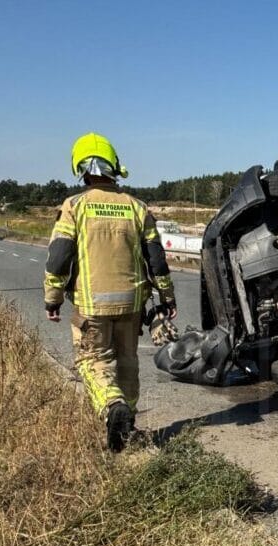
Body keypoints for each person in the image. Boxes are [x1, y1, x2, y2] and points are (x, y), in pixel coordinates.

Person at [43, 133, 177, 451]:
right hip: (132, 305)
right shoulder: (136, 207)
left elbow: (59, 257)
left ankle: (112, 405)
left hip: (92, 307)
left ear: (81, 169)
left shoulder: (74, 206)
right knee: (128, 362)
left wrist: (53, 297)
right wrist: (167, 297)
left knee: (93, 362)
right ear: (114, 166)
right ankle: (127, 424)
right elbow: (156, 259)